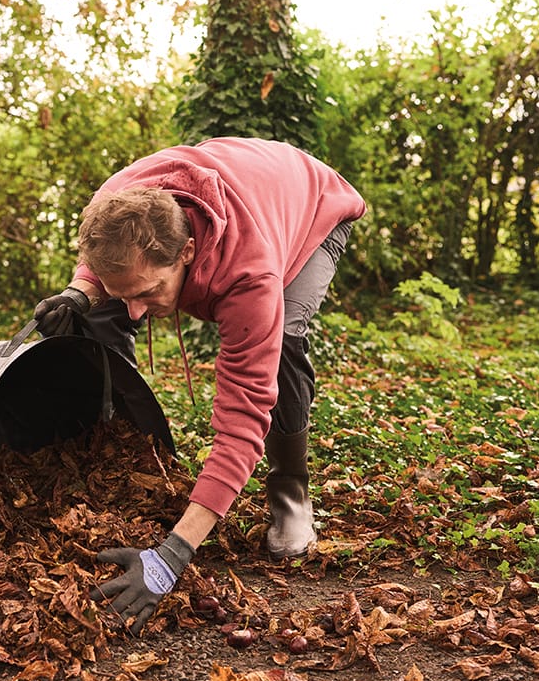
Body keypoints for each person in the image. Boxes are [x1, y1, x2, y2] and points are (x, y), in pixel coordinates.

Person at [32, 137, 366, 634]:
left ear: (187, 250)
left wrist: (175, 552)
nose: (139, 311)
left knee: (284, 348)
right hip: (241, 185)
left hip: (312, 208)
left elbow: (243, 416)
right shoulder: (117, 203)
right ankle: (126, 457)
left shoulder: (249, 273)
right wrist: (80, 292)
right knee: (103, 313)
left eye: (149, 292)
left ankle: (291, 498)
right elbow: (106, 265)